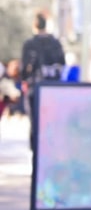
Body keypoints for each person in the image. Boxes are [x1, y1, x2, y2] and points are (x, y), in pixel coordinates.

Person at [21, 13, 66, 149]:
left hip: (35, 89)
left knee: (35, 124)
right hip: (53, 89)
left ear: (35, 25)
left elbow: (24, 70)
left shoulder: (29, 44)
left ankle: (36, 160)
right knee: (51, 124)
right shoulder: (56, 43)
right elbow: (62, 65)